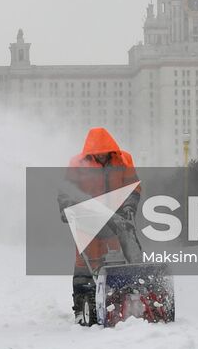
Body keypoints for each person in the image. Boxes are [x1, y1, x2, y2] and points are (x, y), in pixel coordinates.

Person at [60, 127, 142, 326]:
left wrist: (130, 205)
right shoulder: (77, 163)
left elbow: (133, 186)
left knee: (124, 257)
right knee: (84, 264)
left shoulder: (124, 160)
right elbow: (66, 190)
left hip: (117, 220)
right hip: (87, 220)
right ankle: (82, 307)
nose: (102, 156)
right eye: (98, 154)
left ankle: (132, 294)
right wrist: (66, 207)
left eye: (105, 153)